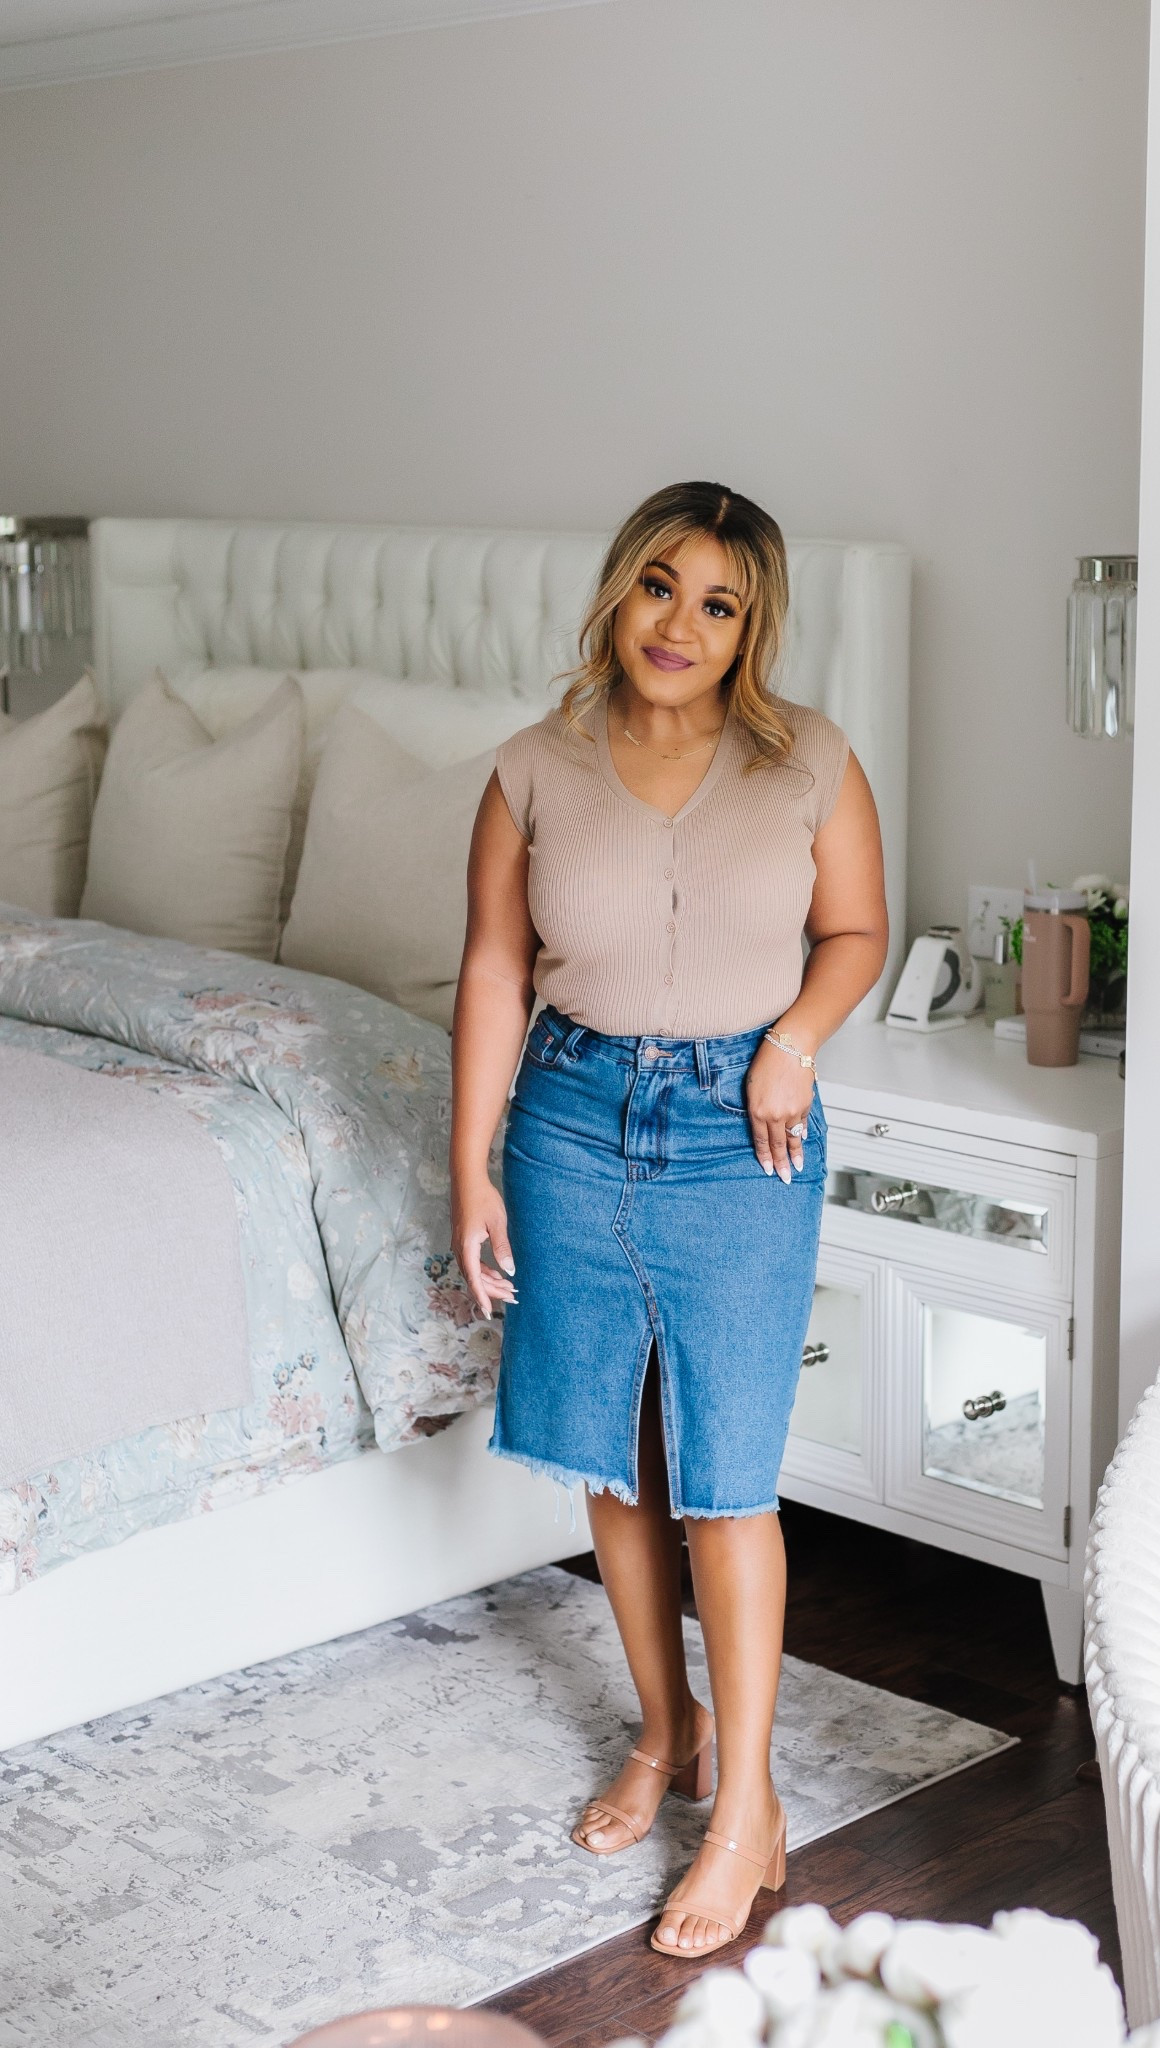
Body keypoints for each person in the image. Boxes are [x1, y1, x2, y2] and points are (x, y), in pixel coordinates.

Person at [451, 480, 887, 1958]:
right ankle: (666, 1729)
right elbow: (496, 977)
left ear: (750, 625)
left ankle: (747, 1805)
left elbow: (854, 932)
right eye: (658, 586)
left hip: (738, 1137)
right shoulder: (527, 768)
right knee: (612, 1465)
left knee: (724, 1478)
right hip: (568, 1123)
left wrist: (793, 1042)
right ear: (616, 591)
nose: (679, 626)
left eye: (717, 603)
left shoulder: (810, 760)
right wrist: (470, 1168)